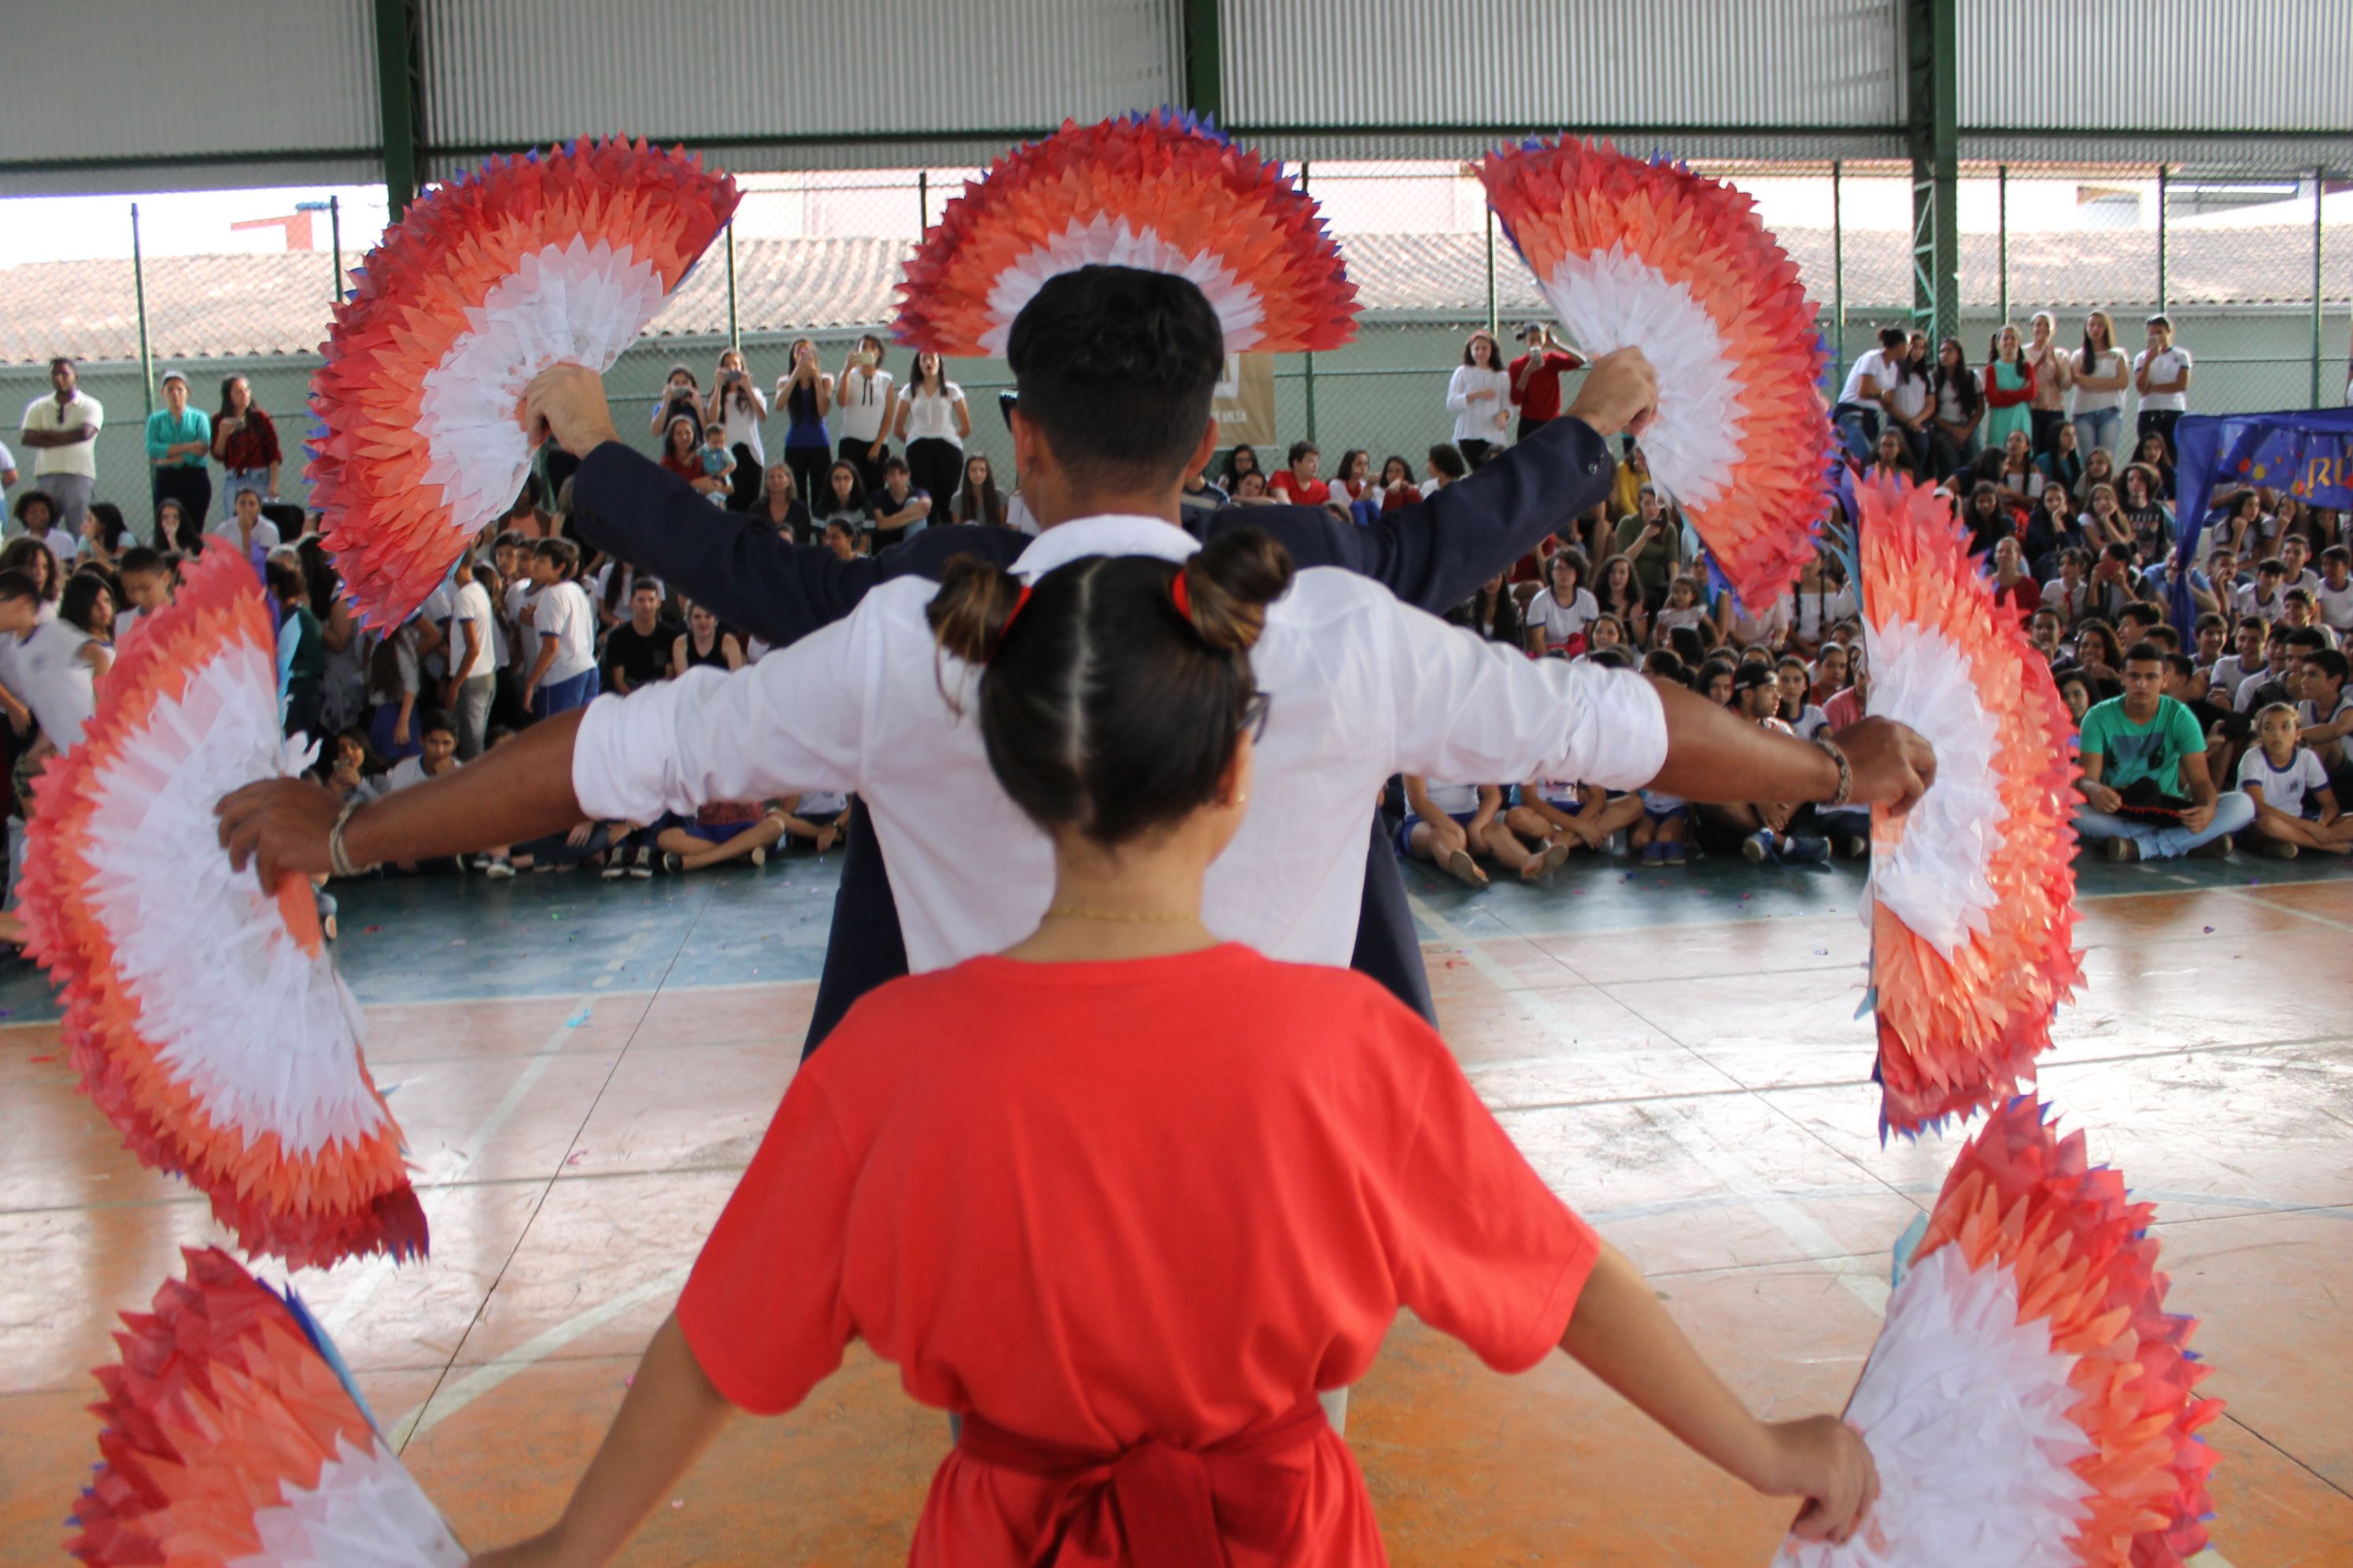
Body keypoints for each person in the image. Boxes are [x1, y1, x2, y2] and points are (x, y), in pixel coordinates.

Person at [446, 526, 1877, 1566]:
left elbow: (714, 1345)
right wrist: (1767, 1446)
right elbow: (1567, 1285)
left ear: (1010, 766)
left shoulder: (885, 1059)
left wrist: (575, 1543)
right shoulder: (1346, 1047)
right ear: (1237, 769)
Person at [221, 264, 1934, 1063]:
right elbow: (1613, 712)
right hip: (1292, 1167)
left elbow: (635, 729)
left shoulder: (919, 621)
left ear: (1018, 442)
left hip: (988, 1186)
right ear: (1208, 438)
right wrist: (1827, 765)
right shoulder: (1332, 600)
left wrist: (347, 829)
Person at [2074, 642, 2253, 861]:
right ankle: (2188, 844)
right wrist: (2095, 790)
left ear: (2165, 679)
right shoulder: (2098, 716)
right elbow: (2087, 779)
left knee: (2244, 805)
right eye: (2134, 676)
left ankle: (2142, 847)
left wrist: (2207, 809)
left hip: (2168, 809)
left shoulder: (2179, 715)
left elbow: (2200, 782)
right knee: (2075, 811)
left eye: (2151, 677)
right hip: (2117, 809)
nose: (2142, 684)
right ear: (2122, 677)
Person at [2240, 701, 2353, 858]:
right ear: (2260, 735)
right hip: (2262, 822)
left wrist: (2321, 826)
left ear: (2298, 734)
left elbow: (2330, 805)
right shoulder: (2252, 758)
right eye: (2269, 728)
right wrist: (2309, 828)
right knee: (2268, 824)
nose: (2277, 734)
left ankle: (2294, 842)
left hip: (2299, 820)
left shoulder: (2306, 757)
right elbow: (2260, 808)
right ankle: (2325, 846)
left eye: (2285, 727)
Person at [16, 357, 103, 535]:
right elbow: (27, 438)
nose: (59, 378)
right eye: (54, 374)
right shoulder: (39, 406)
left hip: (78, 475)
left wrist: (45, 434)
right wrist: (68, 437)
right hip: (46, 475)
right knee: (42, 529)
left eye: (64, 374)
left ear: (76, 377)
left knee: (80, 529)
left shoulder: (90, 405)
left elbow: (85, 434)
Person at [522, 538, 600, 717]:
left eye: (542, 561)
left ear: (560, 567)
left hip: (563, 675)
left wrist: (531, 683)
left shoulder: (551, 595)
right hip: (588, 667)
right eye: (536, 559)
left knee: (554, 732)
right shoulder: (575, 589)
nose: (535, 565)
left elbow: (551, 647)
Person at [893, 351, 970, 509]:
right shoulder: (909, 391)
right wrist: (914, 440)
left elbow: (966, 427)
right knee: (925, 500)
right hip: (918, 449)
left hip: (948, 448)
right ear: (918, 364)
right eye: (924, 359)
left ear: (939, 362)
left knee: (947, 500)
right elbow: (898, 429)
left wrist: (951, 440)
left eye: (933, 359)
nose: (929, 363)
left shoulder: (951, 390)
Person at [146, 370, 213, 536]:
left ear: (188, 392)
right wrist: (188, 447)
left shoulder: (199, 418)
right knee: (167, 528)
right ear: (163, 393)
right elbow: (153, 448)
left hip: (194, 476)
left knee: (193, 528)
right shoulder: (156, 420)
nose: (175, 394)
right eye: (170, 390)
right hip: (167, 479)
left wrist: (170, 458)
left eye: (180, 389)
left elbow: (202, 448)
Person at [443, 558, 499, 759]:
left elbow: (472, 648)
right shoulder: (478, 590)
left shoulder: (464, 596)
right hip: (485, 675)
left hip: (471, 679)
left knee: (471, 750)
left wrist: (454, 685)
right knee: (475, 743)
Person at [210, 374, 282, 526]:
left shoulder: (260, 418)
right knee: (234, 524)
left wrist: (274, 484)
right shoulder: (218, 420)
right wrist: (222, 434)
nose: (244, 394)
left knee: (262, 524)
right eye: (238, 391)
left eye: (246, 390)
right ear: (228, 396)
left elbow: (274, 453)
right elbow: (218, 455)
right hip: (234, 478)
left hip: (260, 477)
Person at [703, 348, 768, 511]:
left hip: (751, 453)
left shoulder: (754, 393)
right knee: (732, 504)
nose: (731, 369)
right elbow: (712, 420)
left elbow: (762, 416)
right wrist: (718, 386)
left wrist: (747, 388)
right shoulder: (717, 396)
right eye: (727, 365)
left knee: (752, 503)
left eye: (735, 364)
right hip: (726, 455)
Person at [1831, 325, 1908, 463]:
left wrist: (1878, 391)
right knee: (1868, 457)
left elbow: (1889, 400)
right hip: (1851, 414)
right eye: (1906, 346)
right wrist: (1881, 393)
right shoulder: (1872, 358)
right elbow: (1864, 391)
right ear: (1900, 345)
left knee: (1875, 457)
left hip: (1870, 416)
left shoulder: (1894, 368)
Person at [774, 338, 835, 510]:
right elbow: (779, 405)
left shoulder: (825, 380)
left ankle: (820, 524)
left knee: (821, 493)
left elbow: (823, 410)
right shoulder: (785, 381)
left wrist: (815, 378)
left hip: (819, 444)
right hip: (795, 445)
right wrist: (796, 375)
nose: (803, 355)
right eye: (799, 352)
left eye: (807, 351)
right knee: (796, 494)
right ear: (793, 357)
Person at [836, 333, 897, 493]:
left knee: (875, 489)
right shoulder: (849, 376)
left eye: (873, 347)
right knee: (852, 490)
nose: (868, 350)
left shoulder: (886, 380)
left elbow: (888, 415)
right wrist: (847, 369)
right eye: (864, 347)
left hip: (876, 444)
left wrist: (877, 445)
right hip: (851, 441)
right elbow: (842, 402)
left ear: (879, 353)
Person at [1506, 322, 1588, 441]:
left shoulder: (1551, 360)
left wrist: (1557, 345)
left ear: (1545, 340)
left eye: (1540, 340)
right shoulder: (1517, 365)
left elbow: (1581, 361)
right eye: (1531, 340)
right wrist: (1527, 372)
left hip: (1552, 421)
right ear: (1526, 341)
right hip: (1529, 421)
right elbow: (1515, 399)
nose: (1536, 343)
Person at [601, 578, 682, 696]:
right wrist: (635, 701)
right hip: (627, 695)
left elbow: (669, 675)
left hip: (658, 694)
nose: (646, 605)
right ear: (631, 603)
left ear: (658, 603)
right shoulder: (617, 637)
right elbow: (618, 680)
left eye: (651, 600)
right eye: (641, 600)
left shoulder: (670, 635)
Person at [1447, 329, 1513, 465]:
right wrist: (1477, 394)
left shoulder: (1502, 376)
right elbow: (1452, 403)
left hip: (1494, 435)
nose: (1480, 352)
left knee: (1495, 470)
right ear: (1470, 350)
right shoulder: (1462, 372)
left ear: (1492, 350)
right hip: (1469, 435)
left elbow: (1508, 405)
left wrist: (1503, 416)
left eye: (1484, 348)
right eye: (1476, 348)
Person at [2133, 314, 2192, 459]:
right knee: (2148, 453)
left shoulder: (2181, 356)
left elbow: (2181, 385)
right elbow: (2141, 387)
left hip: (2173, 410)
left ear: (2169, 333)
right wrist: (2149, 361)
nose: (2156, 337)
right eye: (2152, 334)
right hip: (2149, 410)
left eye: (2159, 332)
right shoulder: (2141, 358)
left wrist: (2152, 388)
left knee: (2173, 453)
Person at [2071, 309, 2130, 457]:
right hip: (2083, 413)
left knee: (2106, 457)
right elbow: (2080, 381)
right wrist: (2110, 383)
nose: (2095, 329)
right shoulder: (2079, 356)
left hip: (2109, 412)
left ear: (2107, 329)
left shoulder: (2117, 355)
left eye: (2100, 325)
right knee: (2087, 458)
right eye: (2091, 325)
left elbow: (2122, 382)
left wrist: (2091, 383)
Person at [1523, 548, 1598, 657]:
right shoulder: (1540, 600)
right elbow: (1537, 641)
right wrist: (1552, 663)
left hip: (1579, 655)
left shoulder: (1588, 599)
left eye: (1569, 568)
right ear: (1551, 573)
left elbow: (1591, 637)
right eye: (1559, 568)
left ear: (1578, 572)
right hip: (1549, 654)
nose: (1564, 573)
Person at [1926, 335, 1982, 479]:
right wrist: (1952, 430)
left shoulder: (1972, 377)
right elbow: (1930, 411)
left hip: (1967, 425)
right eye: (1942, 351)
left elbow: (1980, 409)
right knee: (1949, 454)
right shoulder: (1933, 378)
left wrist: (1966, 430)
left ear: (1958, 355)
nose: (1944, 355)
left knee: (1974, 450)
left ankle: (1974, 486)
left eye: (1949, 351)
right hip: (1943, 426)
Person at [2021, 311, 2073, 457]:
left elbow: (2066, 385)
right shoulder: (2023, 352)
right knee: (2033, 449)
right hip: (2031, 408)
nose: (2042, 328)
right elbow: (2022, 381)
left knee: (2053, 450)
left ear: (2053, 330)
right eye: (2038, 324)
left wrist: (2054, 359)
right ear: (2032, 329)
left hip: (2054, 409)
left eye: (2047, 325)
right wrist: (2040, 361)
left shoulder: (2061, 355)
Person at [1981, 325, 2034, 456]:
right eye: (2005, 338)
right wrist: (2020, 394)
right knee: (1998, 454)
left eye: (2013, 338)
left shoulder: (2026, 367)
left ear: (2019, 342)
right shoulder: (1992, 369)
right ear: (1998, 343)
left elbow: (2031, 393)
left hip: (2021, 417)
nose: (2009, 341)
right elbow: (1994, 399)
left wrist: (2005, 393)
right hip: (2000, 419)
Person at [870, 457, 933, 552]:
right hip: (886, 550)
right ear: (885, 477)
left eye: (901, 473)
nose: (897, 478)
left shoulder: (918, 493)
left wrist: (891, 520)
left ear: (908, 475)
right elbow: (881, 524)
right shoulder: (878, 496)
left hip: (911, 548)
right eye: (892, 474)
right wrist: (913, 517)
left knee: (913, 501)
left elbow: (925, 505)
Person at [671, 600, 745, 678]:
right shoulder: (681, 644)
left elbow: (737, 680)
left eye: (708, 616)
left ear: (715, 619)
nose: (703, 622)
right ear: (689, 620)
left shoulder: (729, 642)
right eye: (697, 617)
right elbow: (683, 681)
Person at [752, 464, 811, 544]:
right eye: (771, 477)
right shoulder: (757, 508)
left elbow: (804, 540)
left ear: (789, 481)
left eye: (780, 477)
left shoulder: (800, 509)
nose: (776, 481)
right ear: (766, 483)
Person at [954, 453, 1010, 529]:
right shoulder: (957, 498)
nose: (978, 474)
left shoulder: (1000, 495)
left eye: (982, 470)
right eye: (973, 470)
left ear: (987, 472)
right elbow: (957, 530)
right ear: (967, 472)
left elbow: (1003, 527)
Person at [1268, 441, 1330, 507]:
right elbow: (1283, 503)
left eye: (1317, 461)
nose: (1316, 465)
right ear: (1296, 463)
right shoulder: (1281, 477)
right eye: (1311, 461)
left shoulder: (1322, 489)